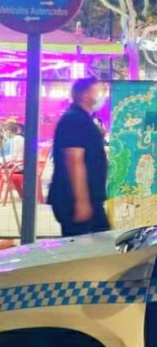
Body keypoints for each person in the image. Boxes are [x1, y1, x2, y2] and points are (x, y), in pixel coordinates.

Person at [48, 78, 111, 236]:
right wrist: (81, 202)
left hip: (88, 199)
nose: (103, 96)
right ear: (85, 95)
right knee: (87, 251)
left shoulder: (81, 118)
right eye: (99, 91)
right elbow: (74, 160)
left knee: (99, 248)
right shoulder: (75, 120)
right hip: (76, 200)